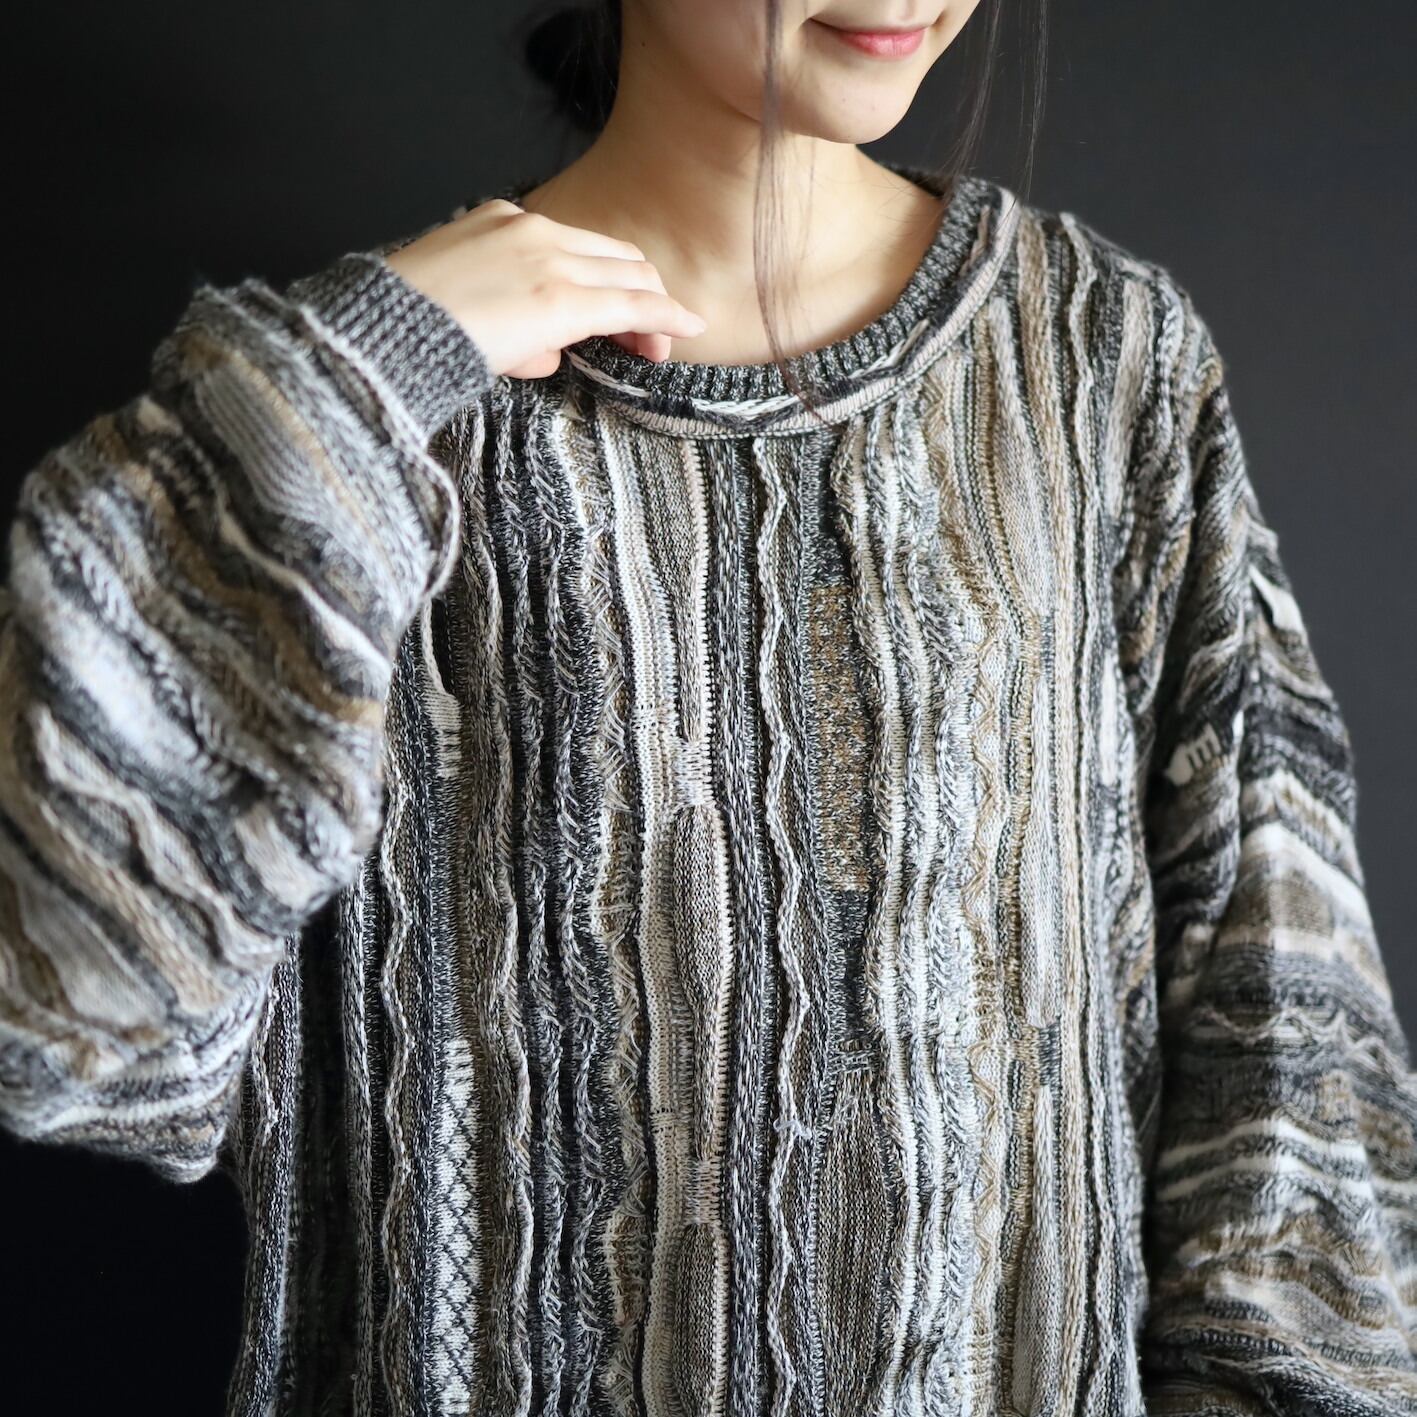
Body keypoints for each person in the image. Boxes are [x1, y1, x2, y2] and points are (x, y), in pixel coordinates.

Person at [1, 2, 1413, 1414]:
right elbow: (70, 1011)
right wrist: (352, 381)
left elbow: (1286, 1060)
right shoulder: (374, 423)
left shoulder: (1100, 362)